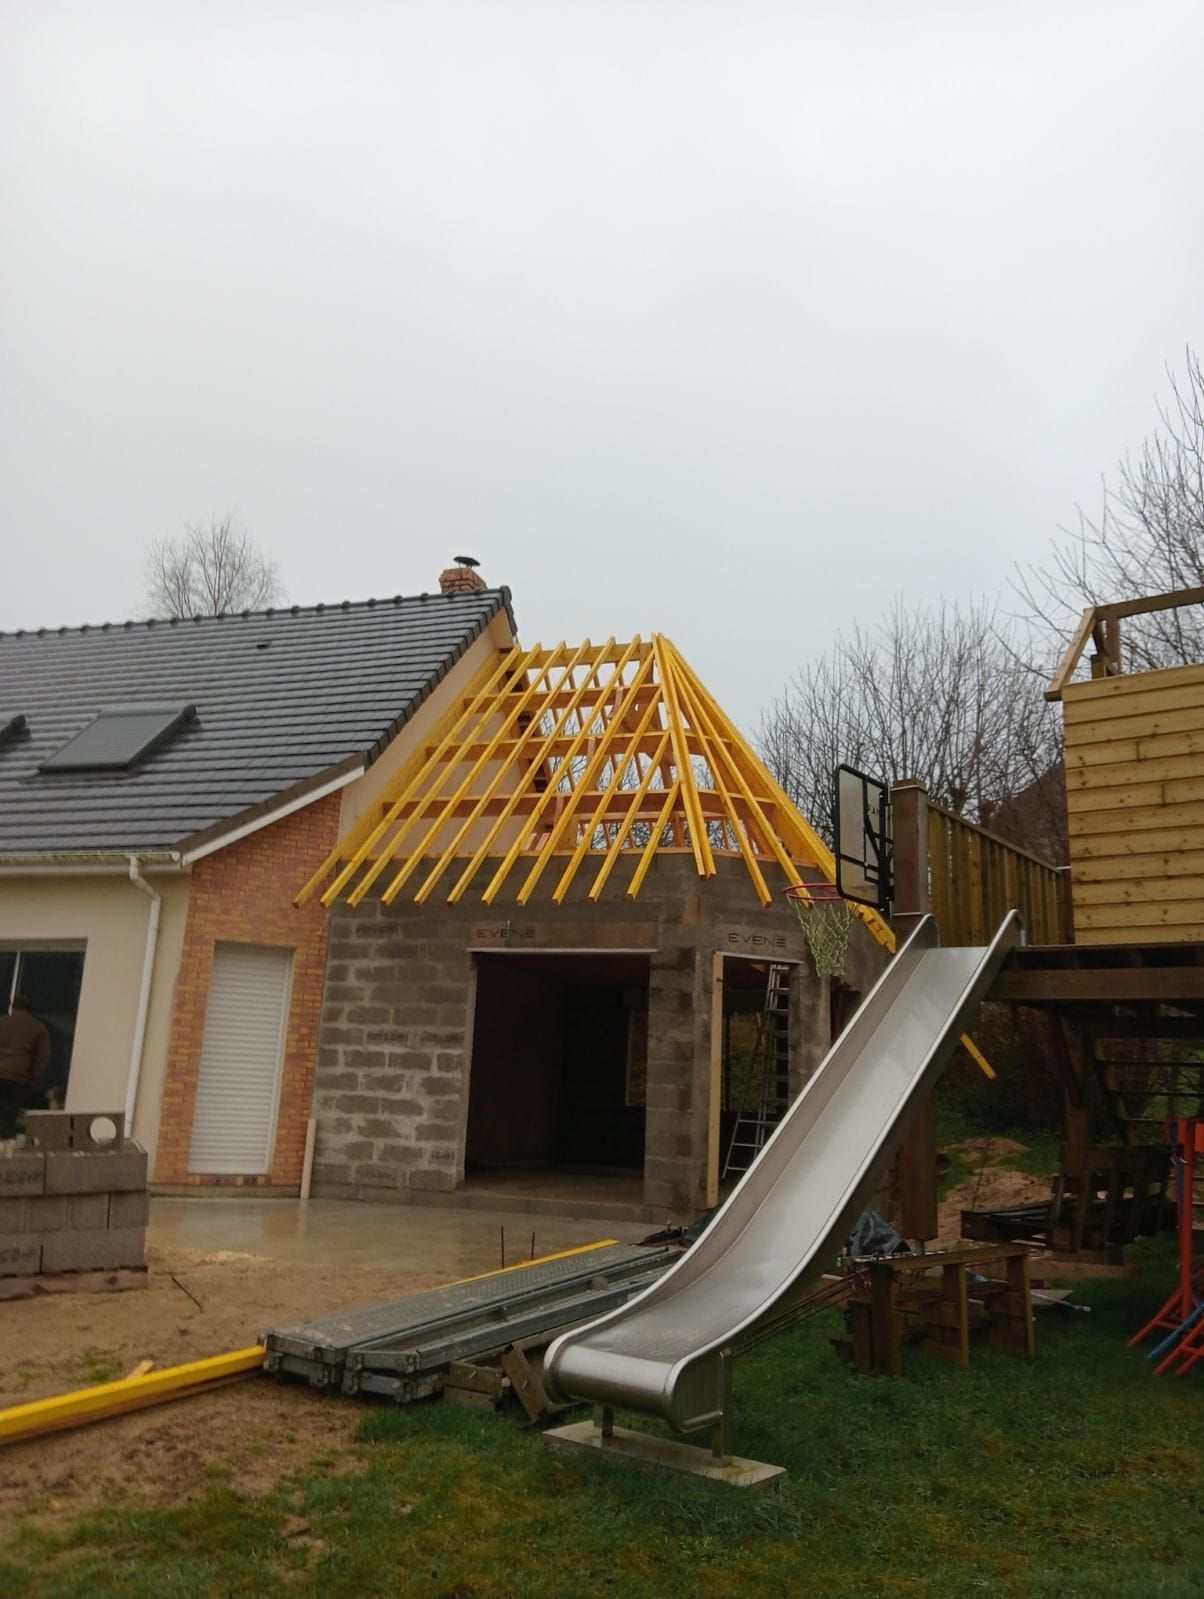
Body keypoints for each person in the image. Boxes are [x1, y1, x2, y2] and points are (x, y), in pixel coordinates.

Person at [0, 993, 51, 1139]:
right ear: (29, 1009)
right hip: (16, 1080)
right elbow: (44, 1059)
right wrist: (32, 1080)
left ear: (12, 1007)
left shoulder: (2, 1022)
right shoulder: (38, 1028)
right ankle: (7, 1155)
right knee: (8, 1119)